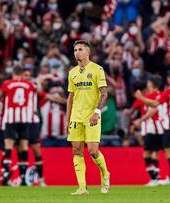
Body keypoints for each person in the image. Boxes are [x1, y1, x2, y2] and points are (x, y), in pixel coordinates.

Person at [67, 40, 110, 195]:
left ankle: (105, 174)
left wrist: (97, 112)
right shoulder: (72, 73)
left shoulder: (97, 70)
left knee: (92, 151)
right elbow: (70, 98)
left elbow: (104, 93)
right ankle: (82, 187)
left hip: (92, 116)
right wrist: (68, 119)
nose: (76, 52)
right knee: (76, 150)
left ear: (87, 52)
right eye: (75, 50)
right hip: (75, 117)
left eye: (80, 49)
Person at [135, 71, 170, 184]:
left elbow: (154, 107)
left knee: (160, 153)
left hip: (160, 128)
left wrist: (140, 98)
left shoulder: (166, 93)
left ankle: (164, 178)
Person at [1, 65, 38, 186]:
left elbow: (2, 95)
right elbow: (35, 88)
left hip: (11, 119)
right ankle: (23, 178)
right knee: (23, 147)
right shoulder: (29, 84)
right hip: (24, 119)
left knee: (8, 146)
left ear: (13, 73)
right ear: (22, 74)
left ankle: (6, 174)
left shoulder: (7, 84)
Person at [132, 75, 163, 186]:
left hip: (152, 127)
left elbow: (153, 109)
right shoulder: (154, 95)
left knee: (147, 153)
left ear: (150, 83)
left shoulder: (152, 96)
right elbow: (135, 108)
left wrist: (139, 120)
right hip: (155, 127)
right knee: (155, 152)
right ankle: (157, 177)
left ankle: (155, 178)